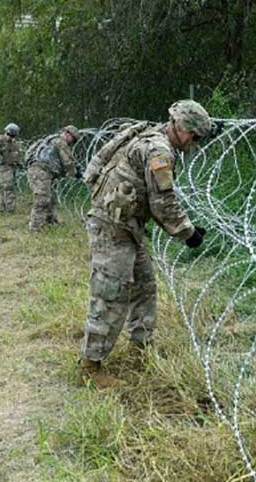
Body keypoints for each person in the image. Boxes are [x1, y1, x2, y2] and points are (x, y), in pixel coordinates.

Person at [77, 100, 211, 388]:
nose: (194, 143)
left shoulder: (151, 135)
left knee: (144, 286)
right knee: (110, 293)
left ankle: (141, 346)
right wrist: (188, 233)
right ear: (178, 126)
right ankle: (91, 365)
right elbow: (163, 202)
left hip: (128, 225)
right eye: (193, 136)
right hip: (112, 226)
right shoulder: (159, 150)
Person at [26, 125, 79, 231]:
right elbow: (67, 162)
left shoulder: (49, 139)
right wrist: (75, 173)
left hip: (39, 170)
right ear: (67, 134)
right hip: (42, 171)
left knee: (51, 197)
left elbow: (28, 153)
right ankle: (35, 226)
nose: (71, 143)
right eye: (72, 140)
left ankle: (50, 221)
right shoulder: (60, 142)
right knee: (43, 198)